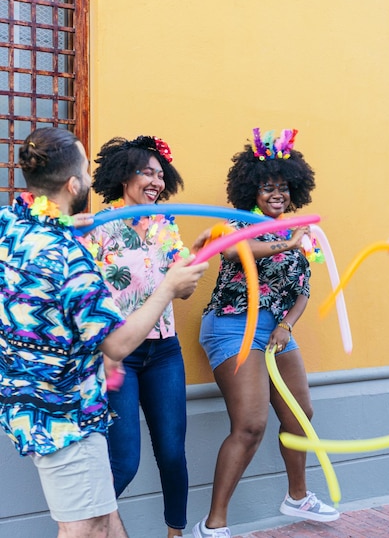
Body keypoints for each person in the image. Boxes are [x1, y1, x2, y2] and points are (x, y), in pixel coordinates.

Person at [0, 127, 208, 538]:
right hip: (66, 406)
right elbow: (115, 342)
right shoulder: (73, 249)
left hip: (42, 400)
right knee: (89, 524)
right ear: (75, 183)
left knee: (106, 521)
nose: (156, 181)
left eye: (160, 173)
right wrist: (168, 286)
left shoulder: (14, 227)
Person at [192, 128, 340, 538]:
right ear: (250, 192)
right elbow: (231, 251)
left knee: (300, 414)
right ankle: (212, 524)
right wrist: (287, 245)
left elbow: (303, 290)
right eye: (266, 187)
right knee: (251, 425)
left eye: (283, 187)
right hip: (232, 325)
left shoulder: (298, 231)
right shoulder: (238, 225)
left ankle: (297, 495)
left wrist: (286, 324)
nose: (276, 194)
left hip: (275, 329)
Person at [85, 135, 193, 538]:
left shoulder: (166, 223)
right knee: (124, 462)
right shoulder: (98, 227)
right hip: (119, 356)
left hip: (165, 352)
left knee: (172, 454)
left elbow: (183, 290)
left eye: (160, 175)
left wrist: (188, 272)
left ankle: (175, 534)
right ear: (123, 175)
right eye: (146, 172)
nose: (155, 181)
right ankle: (85, 528)